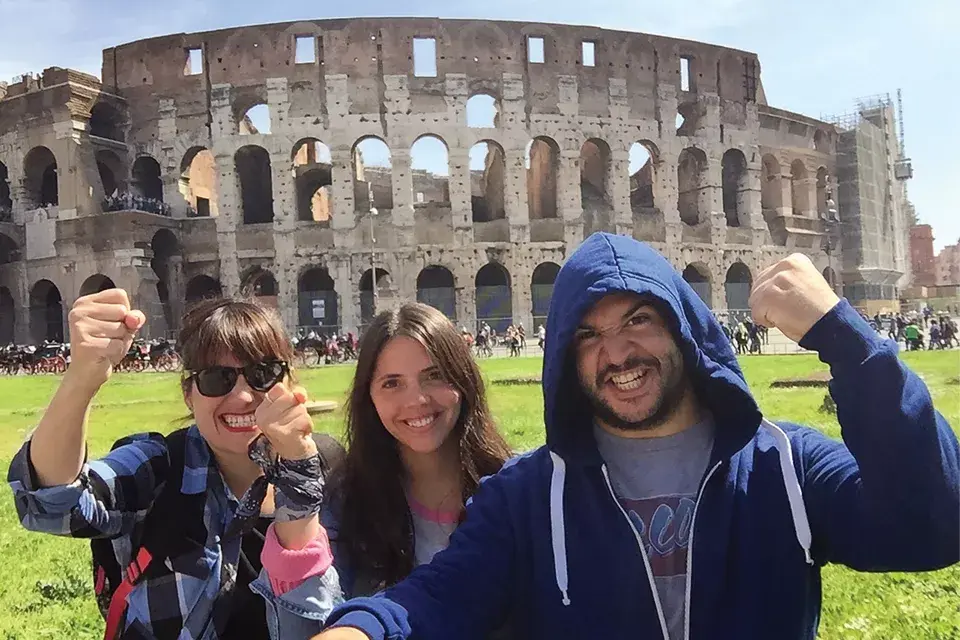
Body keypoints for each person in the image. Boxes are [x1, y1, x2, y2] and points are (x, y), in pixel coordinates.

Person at [313, 232, 959, 640]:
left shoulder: (785, 466)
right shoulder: (526, 496)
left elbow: (933, 527)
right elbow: (439, 598)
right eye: (589, 335)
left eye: (639, 320)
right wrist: (360, 631)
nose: (617, 353)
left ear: (682, 327)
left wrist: (846, 341)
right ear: (566, 354)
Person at [8, 290, 342, 639]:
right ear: (189, 394)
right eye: (218, 378)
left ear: (291, 382)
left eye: (263, 373)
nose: (243, 397)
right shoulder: (160, 467)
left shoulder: (330, 469)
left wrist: (298, 475)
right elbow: (49, 503)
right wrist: (81, 379)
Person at [322, 302, 513, 601]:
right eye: (392, 383)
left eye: (434, 375)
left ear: (463, 381)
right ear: (368, 396)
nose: (417, 400)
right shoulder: (344, 501)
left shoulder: (516, 489)